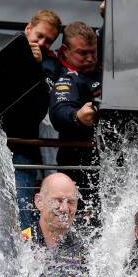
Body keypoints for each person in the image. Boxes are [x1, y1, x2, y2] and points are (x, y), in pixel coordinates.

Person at [1, 10, 62, 229]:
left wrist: (34, 65)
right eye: (40, 36)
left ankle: (24, 258)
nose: (43, 43)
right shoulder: (2, 49)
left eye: (49, 40)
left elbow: (37, 106)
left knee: (23, 216)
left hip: (23, 151)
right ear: (28, 29)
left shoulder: (50, 65)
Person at [49, 21, 101, 218]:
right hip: (77, 168)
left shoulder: (107, 73)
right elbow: (59, 112)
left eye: (93, 52)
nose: (90, 58)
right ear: (65, 51)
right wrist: (77, 116)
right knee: (76, 225)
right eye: (82, 53)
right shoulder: (67, 79)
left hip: (109, 168)